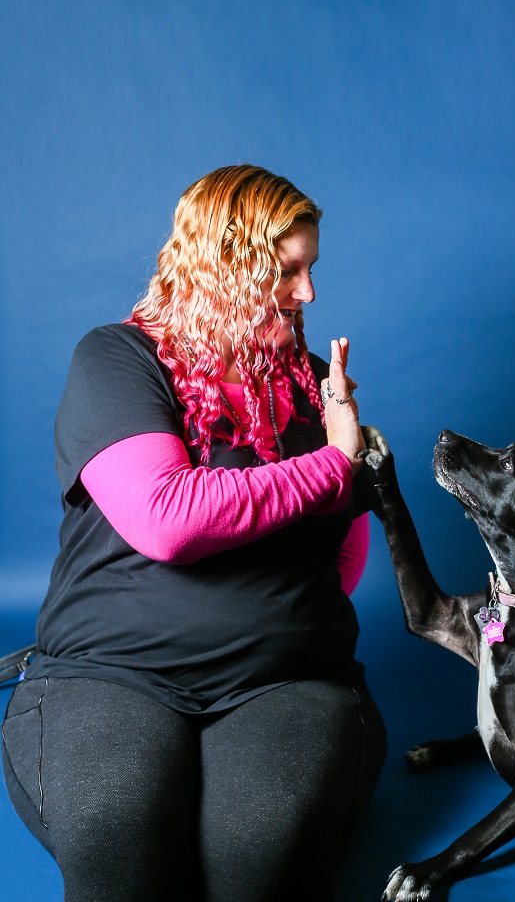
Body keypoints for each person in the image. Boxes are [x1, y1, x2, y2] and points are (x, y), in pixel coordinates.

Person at [1, 165, 386, 902]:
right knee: (121, 842)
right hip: (110, 673)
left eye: (311, 270)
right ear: (225, 265)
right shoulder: (118, 360)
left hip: (284, 684)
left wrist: (272, 618)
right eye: (288, 270)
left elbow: (344, 550)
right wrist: (337, 463)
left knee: (254, 863)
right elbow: (166, 519)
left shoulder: (310, 381)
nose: (307, 294)